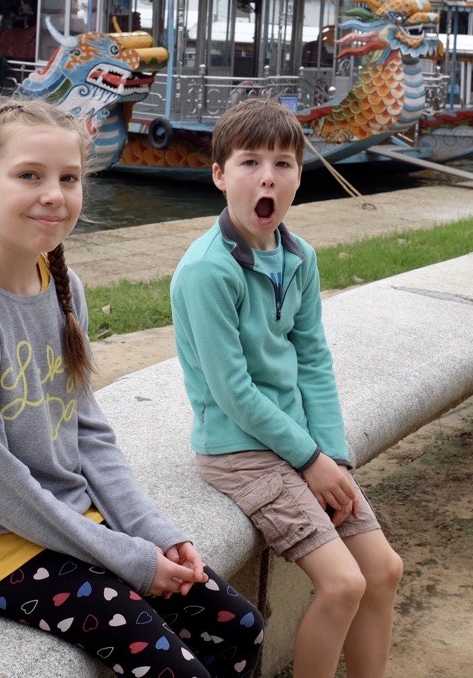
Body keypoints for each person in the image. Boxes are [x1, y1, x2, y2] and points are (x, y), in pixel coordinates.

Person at [0, 100, 264, 678]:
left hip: (66, 518)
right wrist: (132, 561)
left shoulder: (63, 287)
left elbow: (87, 432)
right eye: (29, 176)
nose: (54, 194)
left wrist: (154, 532)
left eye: (68, 178)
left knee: (240, 627)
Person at [171, 99, 403, 678]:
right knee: (343, 582)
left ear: (301, 176)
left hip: (302, 444)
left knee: (383, 570)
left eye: (283, 163)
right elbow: (233, 392)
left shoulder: (299, 256)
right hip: (240, 452)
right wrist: (308, 457)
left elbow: (313, 361)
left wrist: (332, 456)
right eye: (250, 162)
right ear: (220, 175)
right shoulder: (207, 271)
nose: (268, 176)